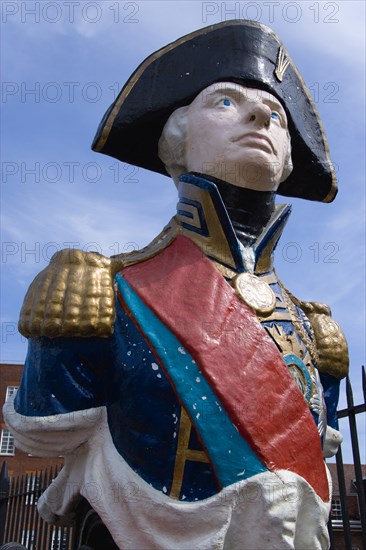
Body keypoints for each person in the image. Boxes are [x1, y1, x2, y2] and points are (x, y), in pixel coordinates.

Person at [4, 20, 348, 549]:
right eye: (226, 102)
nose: (259, 114)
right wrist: (63, 333)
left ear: (286, 160)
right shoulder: (108, 288)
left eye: (276, 115)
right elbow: (44, 428)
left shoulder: (312, 326)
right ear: (177, 142)